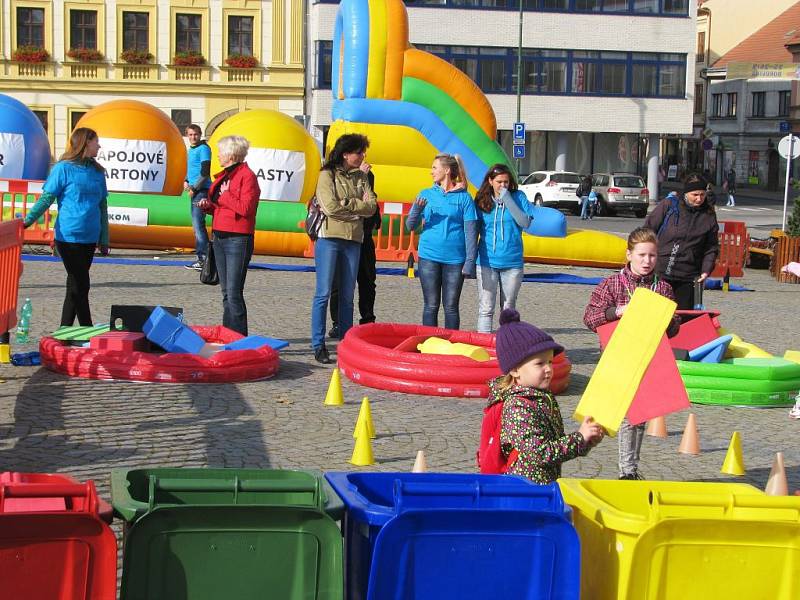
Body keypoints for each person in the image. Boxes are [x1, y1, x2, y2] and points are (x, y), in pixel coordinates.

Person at [582, 227, 680, 479]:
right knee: (612, 418)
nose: (647, 261)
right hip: (616, 356)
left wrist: (667, 319)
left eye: (652, 256)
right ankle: (614, 464)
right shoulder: (612, 284)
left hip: (648, 358)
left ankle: (629, 471)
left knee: (637, 416)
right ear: (629, 255)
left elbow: (673, 329)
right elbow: (590, 318)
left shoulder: (663, 288)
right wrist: (617, 311)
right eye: (641, 255)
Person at [487, 308, 605, 484]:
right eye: (539, 363)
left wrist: (586, 440)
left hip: (543, 486)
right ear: (514, 370)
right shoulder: (518, 407)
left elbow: (555, 446)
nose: (549, 368)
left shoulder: (540, 397)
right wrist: (579, 437)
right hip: (526, 492)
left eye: (550, 361)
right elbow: (540, 454)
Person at [23, 127, 108, 327]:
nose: (99, 145)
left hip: (90, 237)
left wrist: (104, 239)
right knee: (81, 284)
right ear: (86, 143)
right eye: (96, 141)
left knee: (74, 285)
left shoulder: (97, 172)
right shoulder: (63, 168)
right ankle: (87, 329)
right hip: (68, 237)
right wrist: (27, 221)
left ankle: (64, 332)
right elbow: (46, 198)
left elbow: (103, 206)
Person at [311, 133, 378, 364]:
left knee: (348, 296)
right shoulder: (326, 174)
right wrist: (356, 210)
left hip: (354, 239)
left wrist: (349, 205)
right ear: (345, 153)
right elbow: (329, 207)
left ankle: (346, 344)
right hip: (329, 237)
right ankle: (318, 344)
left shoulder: (362, 176)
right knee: (324, 293)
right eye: (359, 152)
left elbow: (371, 206)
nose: (362, 156)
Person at [196, 136, 260, 336]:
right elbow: (224, 207)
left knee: (233, 293)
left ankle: (239, 338)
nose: (218, 155)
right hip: (220, 237)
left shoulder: (247, 176)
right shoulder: (225, 176)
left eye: (220, 152)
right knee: (225, 293)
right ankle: (228, 335)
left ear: (231, 155)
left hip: (237, 239)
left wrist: (225, 197)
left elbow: (246, 208)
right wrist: (210, 207)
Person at [405, 154, 477, 330]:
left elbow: (470, 232)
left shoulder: (464, 198)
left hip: (455, 259)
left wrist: (469, 262)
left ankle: (451, 346)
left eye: (434, 168)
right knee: (431, 304)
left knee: (451, 307)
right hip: (429, 256)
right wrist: (417, 210)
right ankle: (429, 344)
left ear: (447, 171)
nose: (431, 172)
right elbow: (410, 226)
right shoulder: (425, 194)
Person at [473, 163, 535, 333]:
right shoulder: (481, 200)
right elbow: (474, 230)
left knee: (508, 308)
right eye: (499, 182)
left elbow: (525, 222)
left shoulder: (518, 197)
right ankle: (485, 346)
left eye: (506, 182)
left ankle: (508, 345)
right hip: (487, 262)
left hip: (512, 262)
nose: (503, 185)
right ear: (490, 181)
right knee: (486, 308)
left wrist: (507, 198)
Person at [644, 173, 719, 310]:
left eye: (702, 195)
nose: (699, 199)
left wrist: (706, 270)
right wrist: (645, 260)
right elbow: (647, 232)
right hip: (660, 271)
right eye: (695, 195)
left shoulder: (708, 215)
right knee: (655, 315)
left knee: (682, 319)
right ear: (686, 193)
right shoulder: (669, 205)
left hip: (688, 276)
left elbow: (711, 247)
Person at [328, 165, 380, 339]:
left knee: (367, 281)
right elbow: (339, 208)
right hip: (343, 238)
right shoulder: (333, 178)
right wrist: (359, 204)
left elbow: (374, 216)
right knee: (338, 283)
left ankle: (367, 320)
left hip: (364, 239)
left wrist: (367, 204)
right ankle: (338, 323)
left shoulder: (369, 184)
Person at [184, 124, 212, 271]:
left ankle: (204, 259)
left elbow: (205, 172)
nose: (193, 137)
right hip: (194, 190)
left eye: (195, 134)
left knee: (199, 226)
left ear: (200, 134)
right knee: (196, 227)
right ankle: (203, 257)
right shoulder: (191, 150)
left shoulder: (204, 149)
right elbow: (191, 169)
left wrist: (194, 188)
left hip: (201, 190)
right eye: (190, 135)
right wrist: (187, 180)